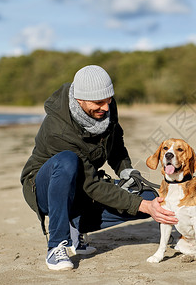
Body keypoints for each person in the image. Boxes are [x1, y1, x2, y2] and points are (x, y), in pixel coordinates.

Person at [21, 65, 177, 271]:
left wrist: (126, 171)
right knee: (67, 160)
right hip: (46, 186)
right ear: (80, 100)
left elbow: (116, 142)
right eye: (98, 103)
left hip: (84, 184)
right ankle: (56, 245)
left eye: (109, 100)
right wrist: (143, 206)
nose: (105, 107)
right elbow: (92, 185)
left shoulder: (107, 107)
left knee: (148, 198)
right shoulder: (57, 130)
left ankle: (76, 225)